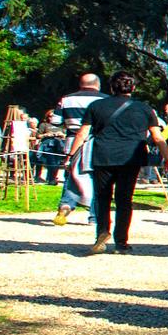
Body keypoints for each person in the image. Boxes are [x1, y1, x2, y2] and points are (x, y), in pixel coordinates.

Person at [72, 72, 160, 255]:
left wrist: (70, 155)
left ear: (111, 87)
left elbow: (82, 133)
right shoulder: (145, 109)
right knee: (124, 199)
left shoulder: (96, 106)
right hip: (131, 157)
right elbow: (157, 137)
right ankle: (121, 242)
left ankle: (102, 233)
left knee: (102, 196)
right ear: (133, 88)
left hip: (103, 155)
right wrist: (167, 159)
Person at [51, 73, 102, 226]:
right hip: (96, 141)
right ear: (98, 84)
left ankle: (66, 204)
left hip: (72, 140)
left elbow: (55, 121)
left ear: (80, 84)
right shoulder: (104, 99)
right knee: (96, 177)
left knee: (71, 175)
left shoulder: (66, 99)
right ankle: (94, 216)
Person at [4, 105, 34, 188]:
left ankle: (27, 177)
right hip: (15, 144)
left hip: (25, 144)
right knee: (13, 160)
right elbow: (9, 136)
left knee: (26, 161)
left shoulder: (28, 123)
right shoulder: (13, 124)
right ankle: (12, 175)